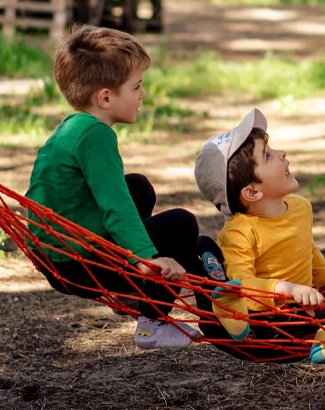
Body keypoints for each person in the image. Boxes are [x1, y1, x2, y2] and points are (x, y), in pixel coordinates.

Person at [26, 25, 207, 350]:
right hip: (78, 265)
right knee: (182, 223)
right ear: (106, 97)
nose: (143, 95)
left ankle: (129, 290)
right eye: (136, 87)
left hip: (55, 254)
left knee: (139, 186)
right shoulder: (96, 136)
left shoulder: (75, 126)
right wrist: (147, 259)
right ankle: (153, 322)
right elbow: (115, 204)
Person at [194, 108, 325, 363]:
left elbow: (307, 250)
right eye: (268, 156)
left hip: (308, 317)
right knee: (202, 249)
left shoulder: (300, 207)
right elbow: (243, 285)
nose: (282, 154)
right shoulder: (239, 232)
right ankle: (230, 316)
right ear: (251, 192)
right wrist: (286, 289)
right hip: (266, 329)